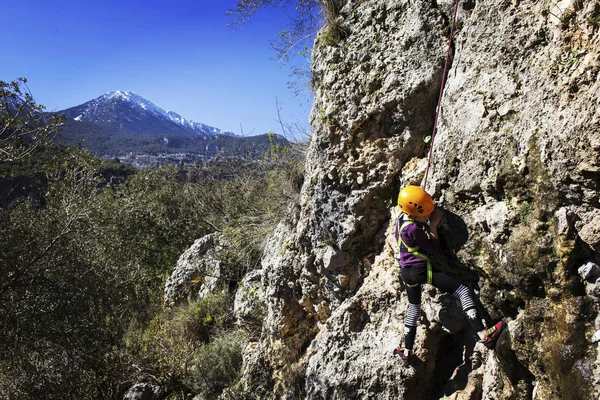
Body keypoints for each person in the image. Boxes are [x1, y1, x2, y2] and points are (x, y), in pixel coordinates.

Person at [392, 185, 505, 367]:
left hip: (406, 272)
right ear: (414, 215)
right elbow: (434, 248)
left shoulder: (401, 220)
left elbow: (412, 211)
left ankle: (406, 352)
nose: (428, 215)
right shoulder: (413, 229)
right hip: (420, 270)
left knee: (413, 308)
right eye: (425, 213)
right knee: (463, 291)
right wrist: (433, 226)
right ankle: (485, 335)